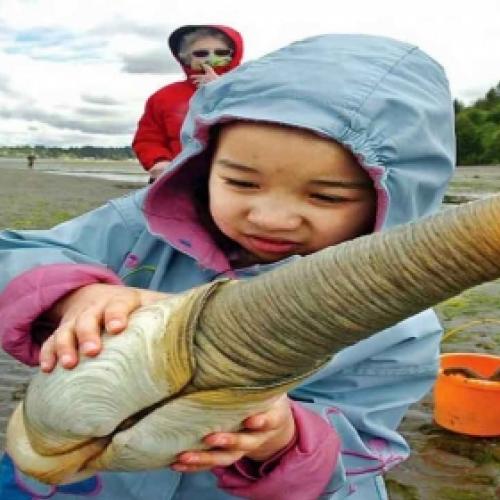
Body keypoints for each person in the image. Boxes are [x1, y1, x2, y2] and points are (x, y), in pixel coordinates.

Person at [0, 33, 455, 499]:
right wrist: (78, 296)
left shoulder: (399, 326)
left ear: (393, 201)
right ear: (204, 163)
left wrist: (284, 439)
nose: (271, 218)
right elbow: (11, 252)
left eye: (326, 196)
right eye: (241, 182)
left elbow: (363, 449)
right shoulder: (140, 227)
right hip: (78, 477)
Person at [132, 25, 243, 181]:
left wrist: (221, 89)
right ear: (186, 58)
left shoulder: (250, 91)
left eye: (221, 52)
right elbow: (148, 138)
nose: (210, 57)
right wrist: (158, 161)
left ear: (234, 55)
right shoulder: (164, 96)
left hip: (234, 179)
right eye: (201, 53)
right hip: (176, 178)